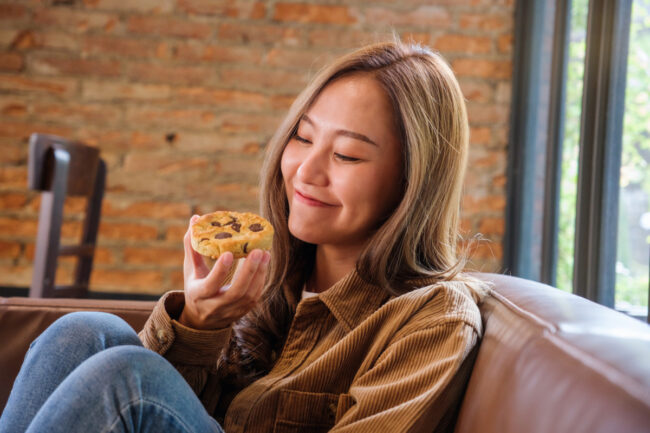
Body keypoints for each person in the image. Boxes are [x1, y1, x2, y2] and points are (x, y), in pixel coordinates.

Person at [0, 40, 489, 433]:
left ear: (412, 182)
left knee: (131, 380)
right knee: (80, 333)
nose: (305, 171)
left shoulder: (434, 319)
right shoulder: (268, 277)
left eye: (347, 155)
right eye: (302, 137)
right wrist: (198, 324)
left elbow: (137, 398)